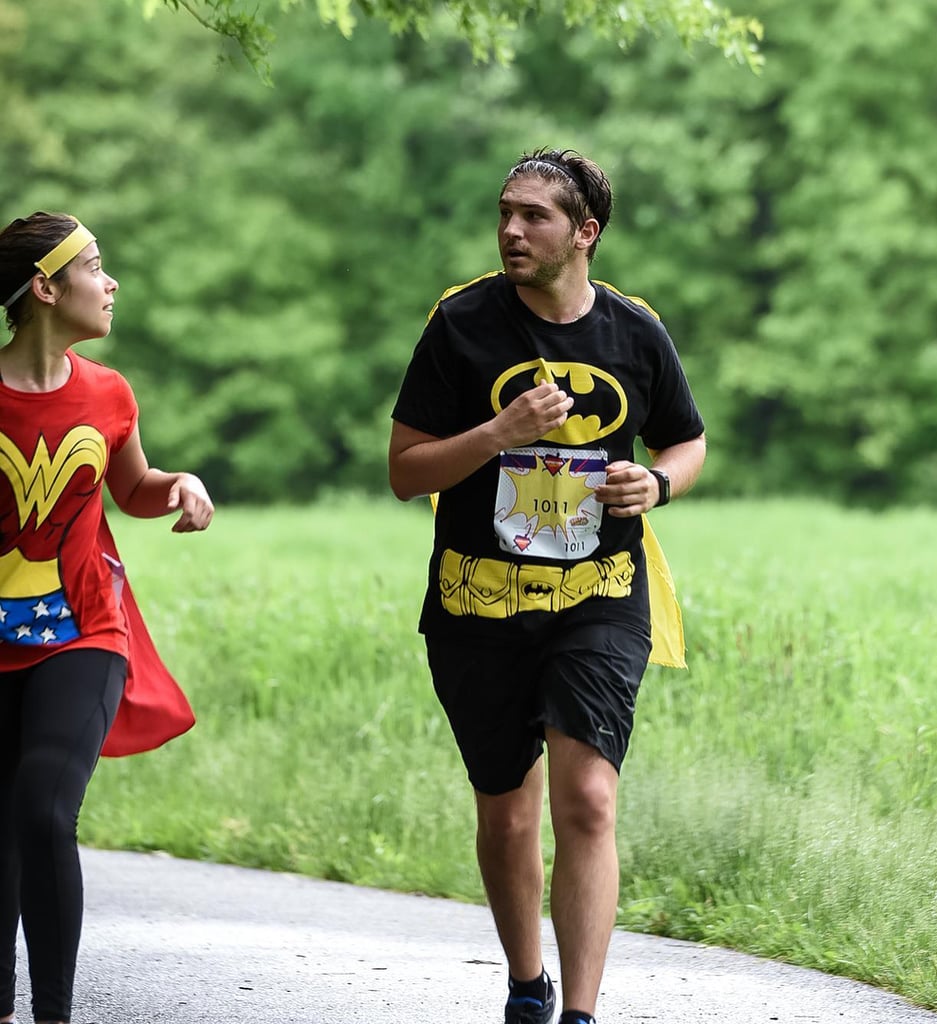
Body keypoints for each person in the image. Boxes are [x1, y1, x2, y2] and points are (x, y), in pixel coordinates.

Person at [389, 149, 706, 1024]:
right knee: (508, 811)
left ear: (585, 233)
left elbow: (685, 439)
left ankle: (581, 1013)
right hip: (476, 601)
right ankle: (528, 984)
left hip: (600, 594)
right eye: (505, 212)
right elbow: (406, 472)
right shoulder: (460, 324)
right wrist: (497, 432)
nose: (511, 230)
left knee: (590, 800)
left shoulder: (635, 332)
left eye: (534, 216)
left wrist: (660, 484)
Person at [0, 212, 215, 1024]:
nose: (111, 280)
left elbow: (132, 489)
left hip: (84, 630)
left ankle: (53, 1013)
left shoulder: (110, 391)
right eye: (96, 266)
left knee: (45, 808)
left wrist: (180, 485)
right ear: (47, 289)